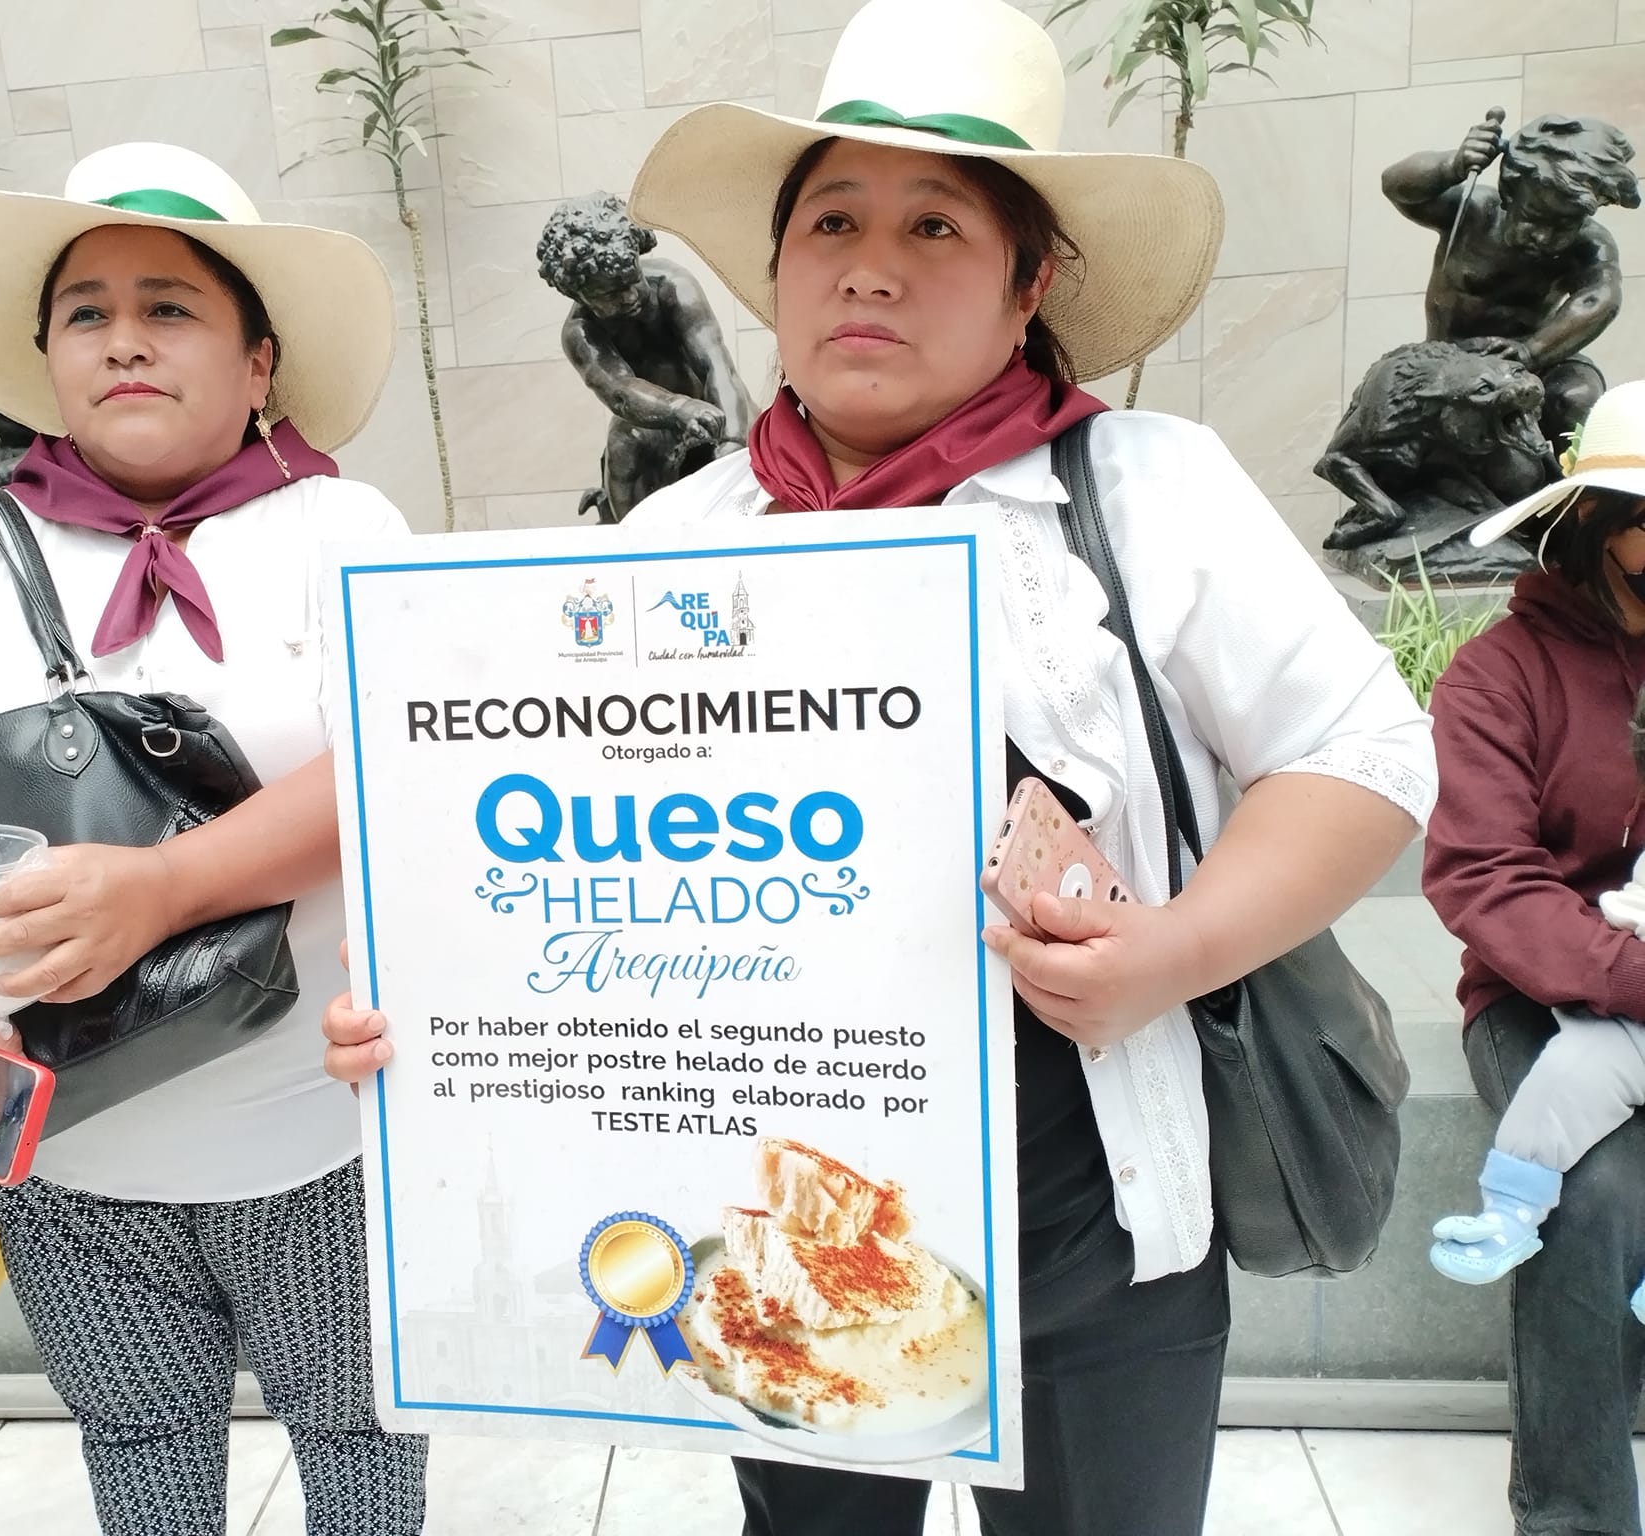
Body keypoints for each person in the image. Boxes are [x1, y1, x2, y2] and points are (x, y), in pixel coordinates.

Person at [323, 1, 1439, 1531]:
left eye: (937, 225)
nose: (871, 262)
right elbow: (549, 856)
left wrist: (1171, 952)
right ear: (776, 272)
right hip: (785, 1235)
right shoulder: (682, 534)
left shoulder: (1146, 487)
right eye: (831, 219)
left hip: (1091, 1237)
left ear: (1028, 279)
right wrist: (445, 1023)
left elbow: (1360, 750)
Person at [0, 143, 426, 1536]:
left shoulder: (339, 527)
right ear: (44, 360)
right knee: (139, 1454)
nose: (123, 340)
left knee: (366, 1444)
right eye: (87, 312)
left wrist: (167, 886)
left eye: (170, 307)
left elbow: (400, 759)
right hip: (65, 1151)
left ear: (259, 362)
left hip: (323, 1138)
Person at [1423, 377, 1645, 1532]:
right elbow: (1480, 877)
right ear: (1601, 529)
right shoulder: (1497, 676)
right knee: (1591, 1192)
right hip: (1539, 999)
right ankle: (1572, 1513)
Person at [1384, 108, 1638, 449]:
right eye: (1533, 218)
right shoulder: (1475, 211)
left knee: (1578, 398)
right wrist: (1451, 166)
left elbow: (1600, 298)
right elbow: (1398, 187)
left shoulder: (1590, 243)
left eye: (1564, 225)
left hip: (1539, 360)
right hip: (1452, 365)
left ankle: (1585, 496)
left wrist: (1532, 351)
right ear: (1510, 194)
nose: (1544, 237)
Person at [537, 191, 754, 522]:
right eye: (610, 294)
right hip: (649, 417)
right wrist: (677, 409)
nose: (630, 297)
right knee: (623, 444)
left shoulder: (671, 283)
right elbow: (620, 392)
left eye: (631, 280)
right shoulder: (580, 332)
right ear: (577, 293)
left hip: (711, 401)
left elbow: (716, 365)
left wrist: (732, 444)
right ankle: (633, 550)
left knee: (743, 426)